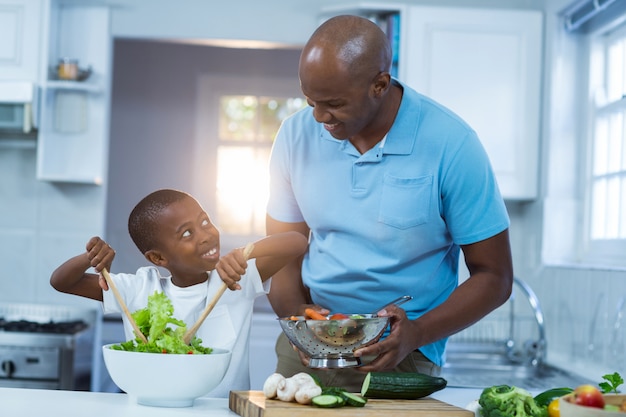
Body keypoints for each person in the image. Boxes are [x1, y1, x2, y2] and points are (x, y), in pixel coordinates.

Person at [265, 15, 514, 391]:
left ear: (379, 85)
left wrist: (416, 333)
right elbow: (280, 256)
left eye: (333, 103)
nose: (317, 117)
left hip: (403, 352)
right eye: (310, 101)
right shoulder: (294, 135)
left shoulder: (452, 143)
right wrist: (299, 322)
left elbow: (494, 277)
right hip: (307, 345)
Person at [50, 188, 308, 398]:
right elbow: (62, 281)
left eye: (205, 221)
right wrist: (90, 257)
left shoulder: (232, 277)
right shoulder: (139, 289)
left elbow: (296, 242)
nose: (206, 235)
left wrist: (247, 252)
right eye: (187, 233)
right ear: (158, 257)